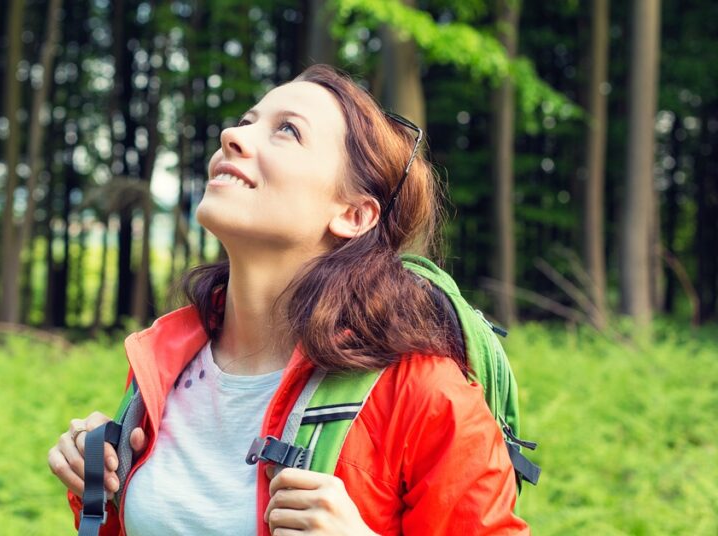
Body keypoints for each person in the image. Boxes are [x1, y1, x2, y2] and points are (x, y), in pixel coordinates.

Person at [47, 64, 529, 535]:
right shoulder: (163, 360)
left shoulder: (421, 392)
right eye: (246, 122)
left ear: (353, 215)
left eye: (287, 131)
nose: (231, 138)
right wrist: (94, 481)